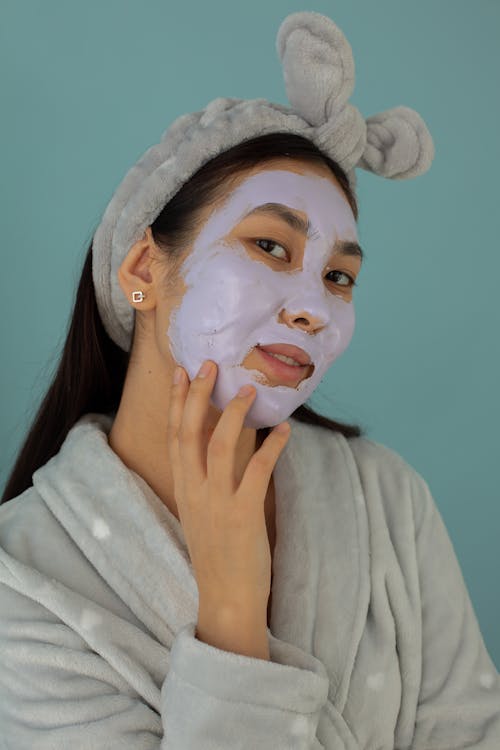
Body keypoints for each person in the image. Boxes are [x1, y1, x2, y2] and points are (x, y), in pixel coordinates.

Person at [1, 10, 499, 750]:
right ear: (143, 270)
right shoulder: (24, 585)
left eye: (339, 277)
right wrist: (233, 620)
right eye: (270, 245)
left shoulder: (391, 502)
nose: (313, 308)